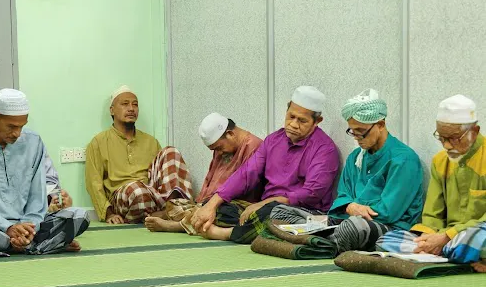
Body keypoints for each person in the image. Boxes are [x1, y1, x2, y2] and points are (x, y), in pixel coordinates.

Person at [271, 89, 424, 255]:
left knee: (352, 228)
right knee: (279, 211)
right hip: (343, 221)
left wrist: (357, 213)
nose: (357, 138)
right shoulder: (356, 157)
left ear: (380, 125)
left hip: (384, 226)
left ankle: (314, 241)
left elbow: (389, 212)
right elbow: (343, 196)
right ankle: (320, 240)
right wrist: (350, 206)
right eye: (352, 131)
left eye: (361, 132)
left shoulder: (403, 160)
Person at [0, 88, 89, 259]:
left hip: (29, 226)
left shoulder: (34, 142)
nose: (17, 134)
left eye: (22, 126)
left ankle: (3, 246)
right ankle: (39, 246)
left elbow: (37, 196)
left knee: (79, 215)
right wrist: (7, 227)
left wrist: (29, 228)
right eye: (11, 126)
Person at [190, 86, 340, 243]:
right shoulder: (273, 140)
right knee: (218, 206)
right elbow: (247, 173)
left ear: (317, 122)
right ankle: (254, 231)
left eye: (302, 121)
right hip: (265, 208)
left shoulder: (325, 149)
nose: (294, 124)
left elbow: (312, 193)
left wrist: (266, 203)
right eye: (291, 117)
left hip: (306, 213)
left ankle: (226, 233)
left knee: (273, 213)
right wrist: (212, 204)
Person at [376, 95, 486, 272]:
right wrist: (428, 238)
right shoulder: (440, 161)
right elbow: (432, 214)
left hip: (471, 233)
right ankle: (448, 253)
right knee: (386, 240)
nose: (447, 145)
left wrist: (447, 236)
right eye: (441, 138)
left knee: (477, 237)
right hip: (447, 238)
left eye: (454, 138)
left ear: (474, 130)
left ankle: (447, 251)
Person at [85, 85, 193, 224]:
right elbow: (94, 183)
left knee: (171, 152)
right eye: (125, 104)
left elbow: (162, 175)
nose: (131, 108)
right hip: (123, 198)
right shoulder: (98, 142)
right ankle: (165, 215)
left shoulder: (151, 141)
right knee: (136, 190)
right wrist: (108, 214)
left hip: (152, 194)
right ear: (112, 110)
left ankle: (170, 209)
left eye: (135, 104)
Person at [145, 112, 262, 233]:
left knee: (222, 212)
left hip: (235, 204)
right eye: (215, 149)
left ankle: (178, 226)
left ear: (230, 134)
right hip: (213, 201)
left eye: (219, 148)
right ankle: (192, 217)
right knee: (175, 204)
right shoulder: (222, 149)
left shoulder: (254, 147)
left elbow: (242, 187)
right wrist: (200, 204)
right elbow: (210, 181)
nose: (218, 153)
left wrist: (210, 205)